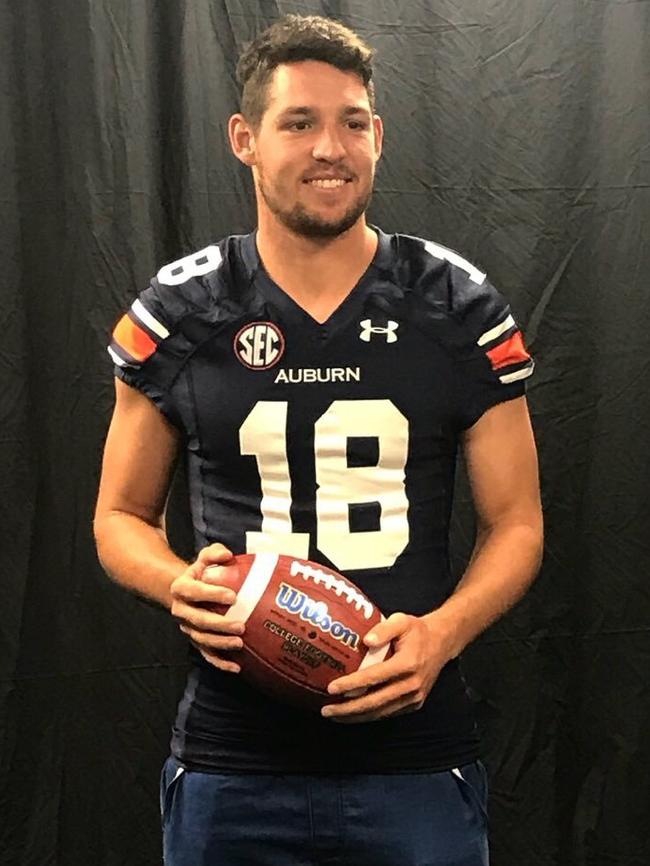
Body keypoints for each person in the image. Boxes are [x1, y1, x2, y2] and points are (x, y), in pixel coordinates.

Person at [94, 13, 543, 866]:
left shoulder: (458, 307)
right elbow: (118, 516)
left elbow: (518, 523)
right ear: (246, 140)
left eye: (353, 122)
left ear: (380, 136)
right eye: (299, 122)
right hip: (235, 759)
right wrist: (176, 582)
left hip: (414, 754)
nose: (330, 148)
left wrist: (441, 634)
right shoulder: (184, 311)